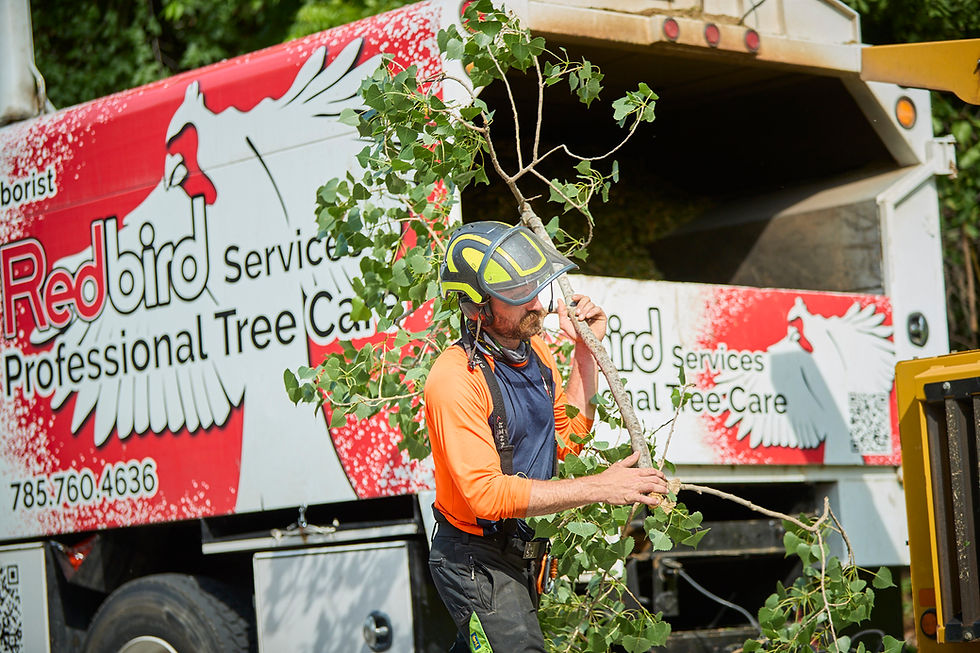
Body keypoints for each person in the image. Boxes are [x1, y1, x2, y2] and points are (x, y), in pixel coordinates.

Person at [424, 221, 669, 652]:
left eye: (534, 289)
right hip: (474, 558)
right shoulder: (454, 379)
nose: (536, 304)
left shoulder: (534, 355)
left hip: (520, 552)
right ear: (478, 307)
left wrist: (584, 353)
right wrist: (601, 488)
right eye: (519, 296)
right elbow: (486, 495)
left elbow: (566, 440)